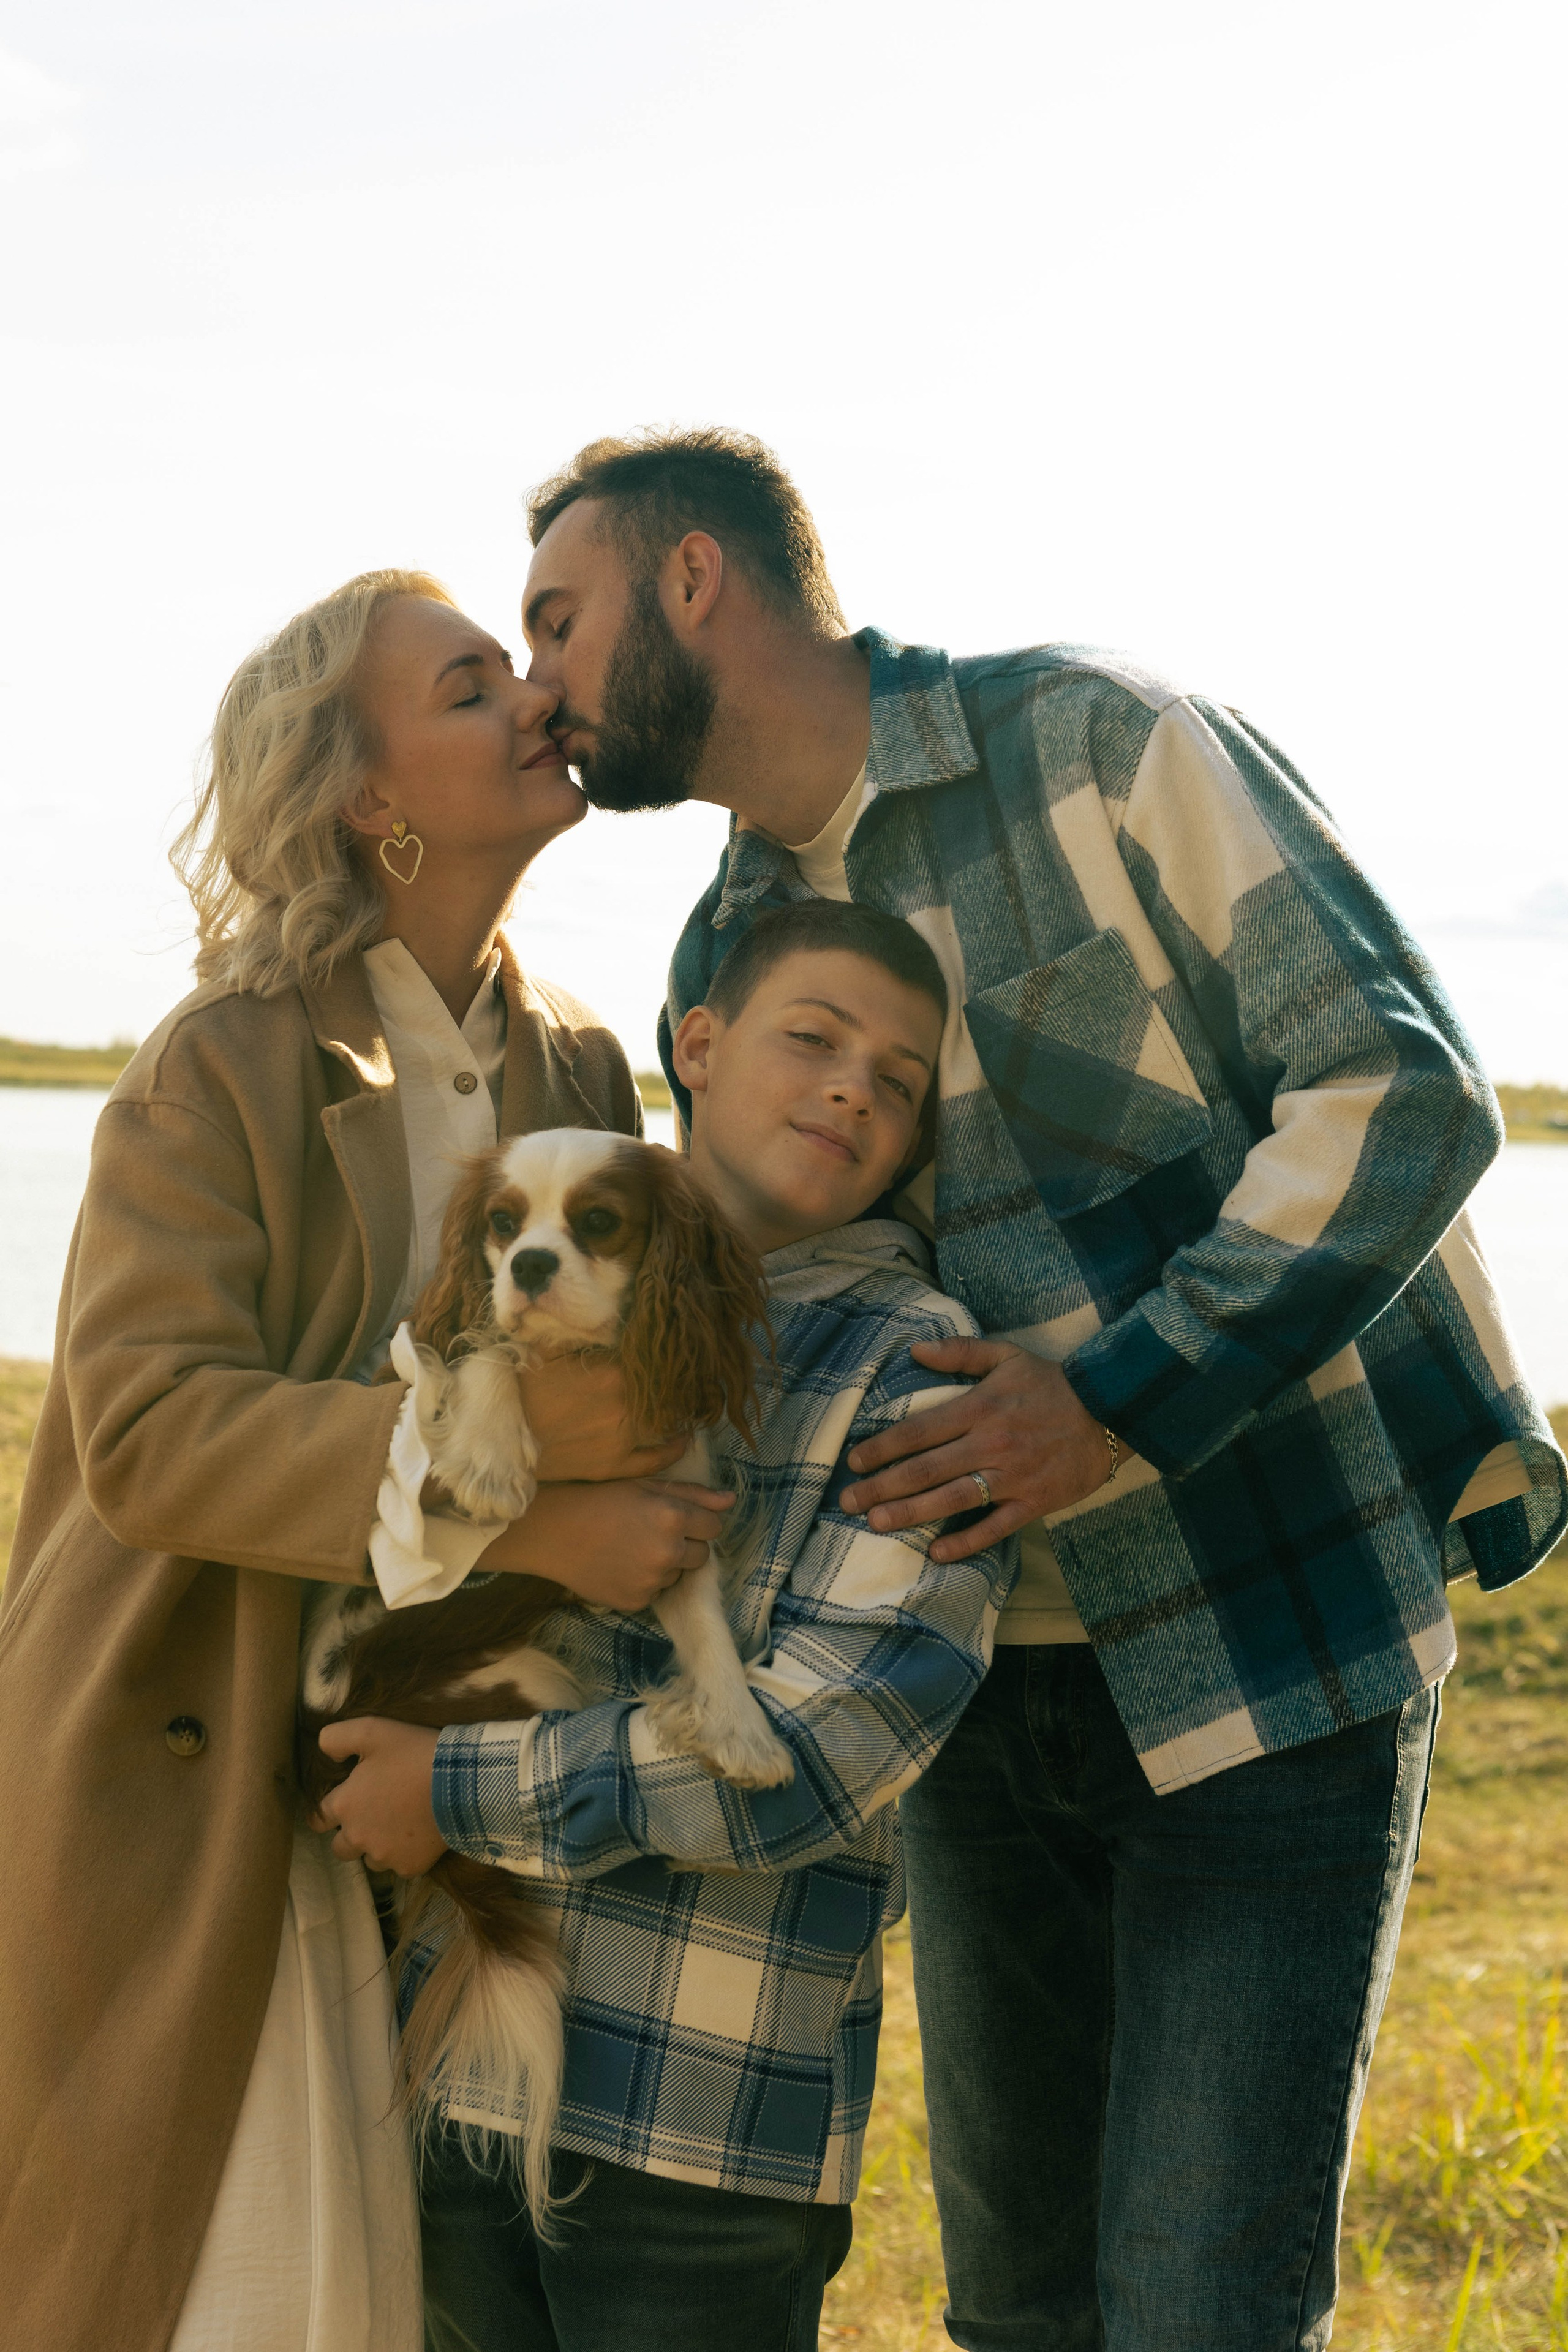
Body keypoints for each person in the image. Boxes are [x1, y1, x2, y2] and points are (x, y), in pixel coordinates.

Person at [515, 428, 1568, 2352]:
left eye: (558, 622)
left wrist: (1118, 1398)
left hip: (1268, 1640)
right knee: (1021, 2312)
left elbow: (1403, 1089)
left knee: (1197, 2315)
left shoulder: (1098, 744)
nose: (539, 690)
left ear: (693, 584)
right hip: (974, 1694)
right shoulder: (721, 952)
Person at [0, 568, 736, 2352]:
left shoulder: (571, 1054)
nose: (538, 700)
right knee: (227, 2283)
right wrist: (531, 1490)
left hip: (457, 1757)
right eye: (472, 685)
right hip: (193, 1749)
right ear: (366, 792)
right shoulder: (216, 1064)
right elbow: (153, 1430)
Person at [315, 897, 1016, 2352]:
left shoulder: (918, 1371)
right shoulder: (519, 1301)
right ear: (696, 1044)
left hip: (705, 2106)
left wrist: (444, 1790)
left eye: (897, 1082)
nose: (848, 1089)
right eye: (812, 1040)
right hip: (446, 2056)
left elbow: (822, 1753)